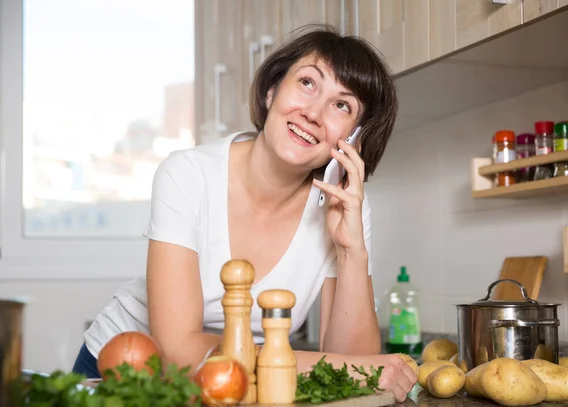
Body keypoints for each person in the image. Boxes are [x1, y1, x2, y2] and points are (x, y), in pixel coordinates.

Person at [72, 24, 417, 402]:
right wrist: (337, 367)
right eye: (307, 83)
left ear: (354, 139)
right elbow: (179, 351)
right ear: (272, 91)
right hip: (126, 374)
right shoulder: (188, 175)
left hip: (246, 383)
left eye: (342, 105)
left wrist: (351, 250)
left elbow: (356, 367)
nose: (314, 112)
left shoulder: (345, 204)